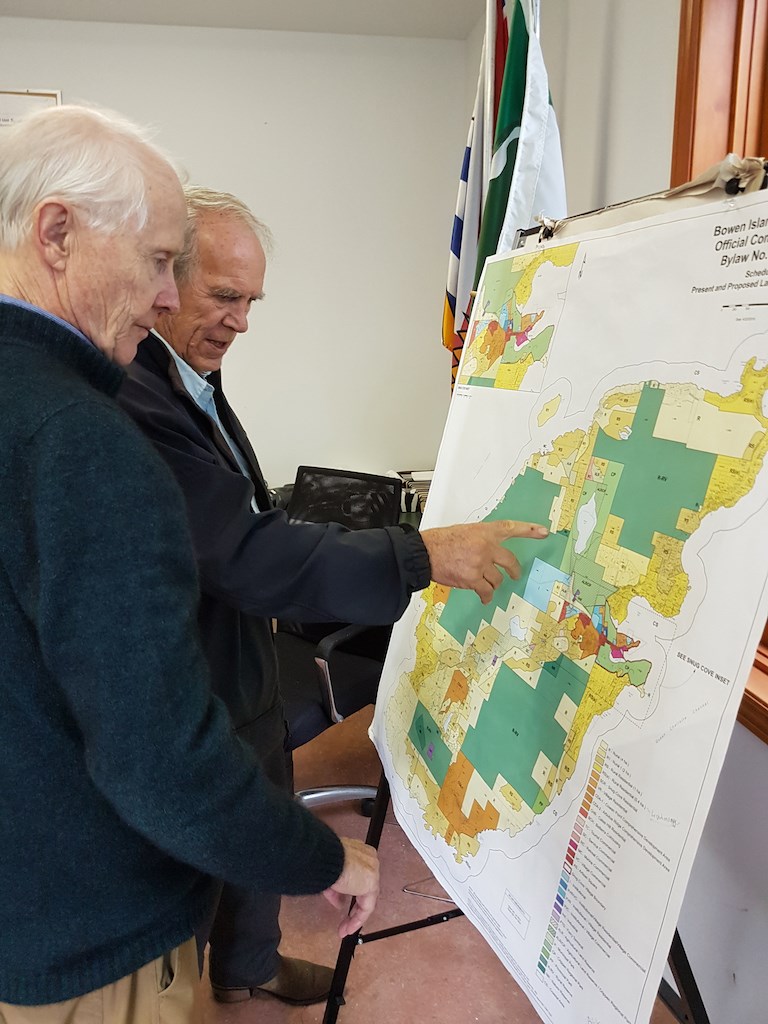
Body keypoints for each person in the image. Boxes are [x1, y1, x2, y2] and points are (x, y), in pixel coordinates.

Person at [118, 186, 549, 1006]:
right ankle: (214, 981)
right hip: (195, 668)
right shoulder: (137, 391)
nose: (240, 320)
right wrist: (422, 553)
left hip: (241, 666)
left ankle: (251, 969)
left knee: (265, 797)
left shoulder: (188, 371)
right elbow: (240, 551)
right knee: (213, 843)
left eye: (252, 301)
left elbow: (245, 512)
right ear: (164, 281)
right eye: (223, 297)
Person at [0, 106, 380, 1024]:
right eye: (163, 261)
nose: (170, 298)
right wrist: (322, 856)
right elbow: (158, 759)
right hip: (92, 935)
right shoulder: (85, 438)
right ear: (58, 234)